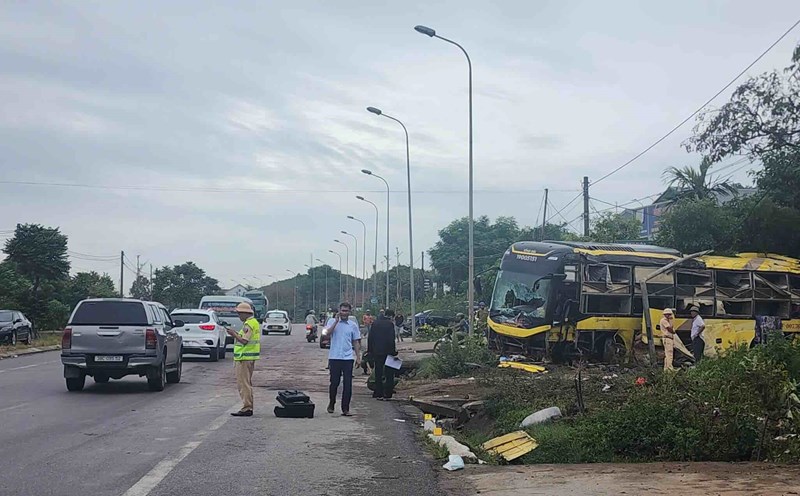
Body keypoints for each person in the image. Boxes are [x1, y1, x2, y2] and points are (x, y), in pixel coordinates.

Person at [325, 302, 362, 416]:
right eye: (342, 310)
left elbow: (355, 341)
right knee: (334, 382)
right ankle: (332, 402)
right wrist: (336, 321)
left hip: (347, 358)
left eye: (346, 311)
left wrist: (358, 357)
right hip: (335, 357)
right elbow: (326, 334)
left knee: (348, 384)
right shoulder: (332, 322)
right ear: (339, 311)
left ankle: (345, 408)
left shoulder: (352, 325)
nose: (344, 313)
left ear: (349, 312)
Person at [226, 302, 261, 417]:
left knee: (244, 383)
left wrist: (233, 334)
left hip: (244, 357)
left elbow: (244, 341)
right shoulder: (252, 322)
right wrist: (236, 334)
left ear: (245, 313)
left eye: (239, 313)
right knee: (246, 383)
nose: (238, 316)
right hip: (248, 357)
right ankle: (248, 406)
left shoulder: (249, 324)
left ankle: (247, 408)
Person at [368, 309, 398, 400]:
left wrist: (370, 351)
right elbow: (391, 339)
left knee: (378, 372)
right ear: (391, 316)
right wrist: (393, 352)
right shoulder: (390, 324)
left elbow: (370, 338)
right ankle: (388, 393)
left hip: (377, 352)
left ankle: (378, 392)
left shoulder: (375, 323)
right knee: (389, 373)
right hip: (389, 351)